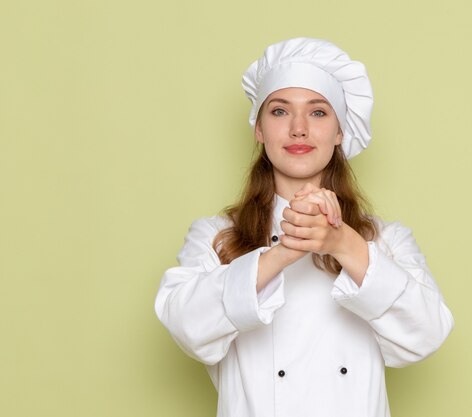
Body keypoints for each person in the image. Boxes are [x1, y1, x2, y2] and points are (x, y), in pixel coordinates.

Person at [155, 37, 454, 417]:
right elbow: (186, 326)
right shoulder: (216, 235)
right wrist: (283, 253)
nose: (298, 129)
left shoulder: (384, 240)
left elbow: (427, 333)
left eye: (317, 113)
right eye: (280, 112)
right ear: (259, 129)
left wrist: (344, 243)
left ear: (341, 131)